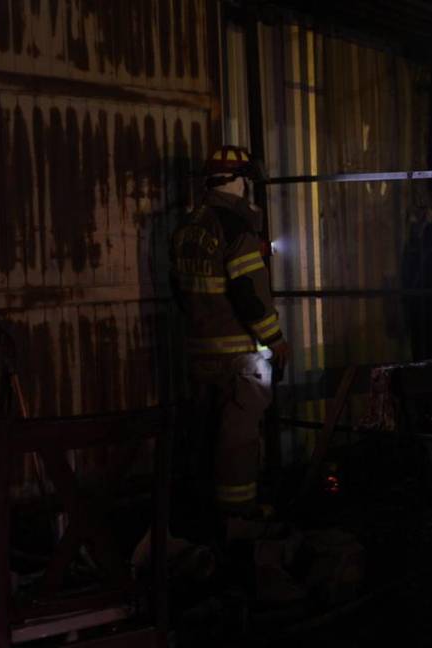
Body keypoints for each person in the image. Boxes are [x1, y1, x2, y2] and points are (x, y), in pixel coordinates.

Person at [169, 144, 289, 534]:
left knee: (204, 433)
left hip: (199, 353)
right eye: (247, 183)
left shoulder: (188, 228)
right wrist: (277, 341)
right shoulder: (236, 228)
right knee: (238, 439)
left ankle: (204, 515)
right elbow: (248, 295)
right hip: (239, 356)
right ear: (237, 183)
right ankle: (238, 518)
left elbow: (179, 290)